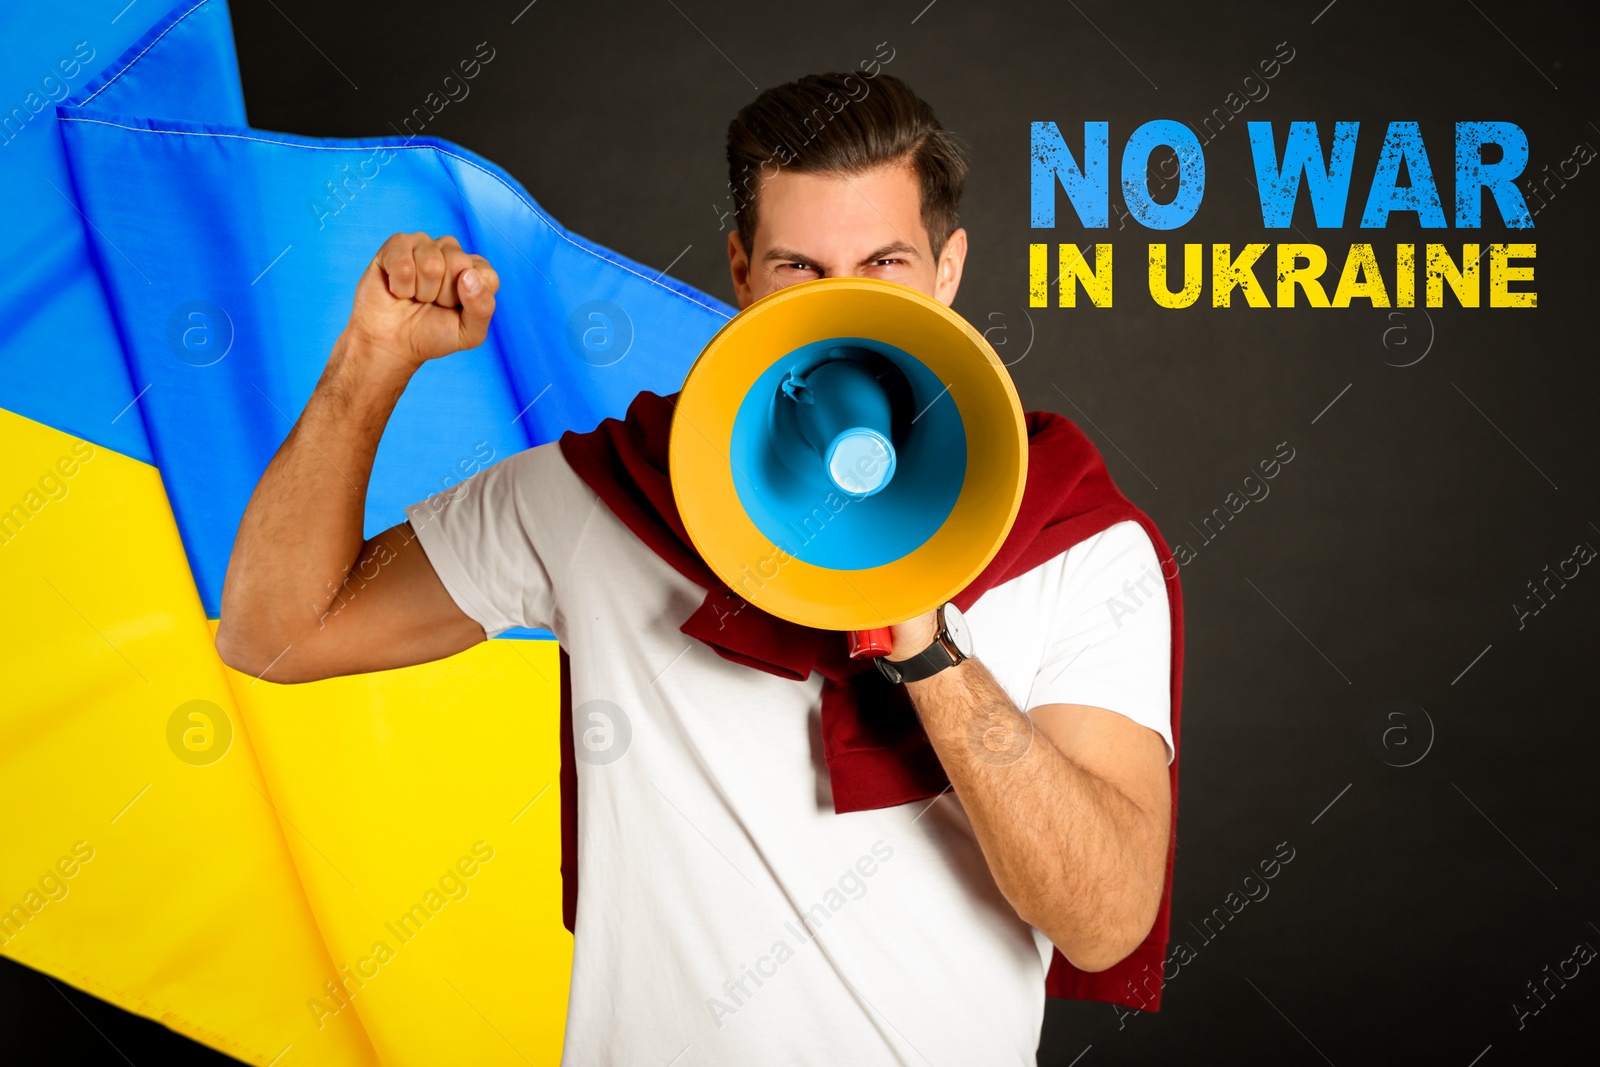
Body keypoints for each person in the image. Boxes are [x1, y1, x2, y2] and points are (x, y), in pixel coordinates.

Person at [216, 71, 1176, 1065]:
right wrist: (371, 358)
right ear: (741, 273)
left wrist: (932, 657)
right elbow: (274, 629)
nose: (841, 303)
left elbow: (1104, 920)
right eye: (799, 264)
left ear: (947, 269)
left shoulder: (1076, 538)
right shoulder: (605, 496)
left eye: (883, 261)